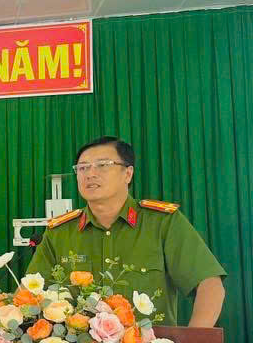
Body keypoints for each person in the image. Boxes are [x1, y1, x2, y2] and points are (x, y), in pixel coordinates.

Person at [27, 136, 225, 327]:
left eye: (102, 165)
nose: (90, 174)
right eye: (83, 167)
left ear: (128, 174)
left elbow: (210, 285)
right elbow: (28, 294)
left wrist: (195, 342)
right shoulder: (59, 232)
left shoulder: (162, 223)